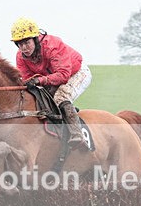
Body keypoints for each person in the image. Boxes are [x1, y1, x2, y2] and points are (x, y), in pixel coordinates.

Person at [11, 17, 92, 148]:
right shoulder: (20, 57)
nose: (24, 48)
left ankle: (77, 134)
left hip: (76, 73)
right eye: (19, 44)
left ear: (36, 39)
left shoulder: (52, 45)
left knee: (61, 96)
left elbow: (63, 75)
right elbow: (26, 79)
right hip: (52, 78)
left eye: (27, 43)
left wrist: (39, 80)